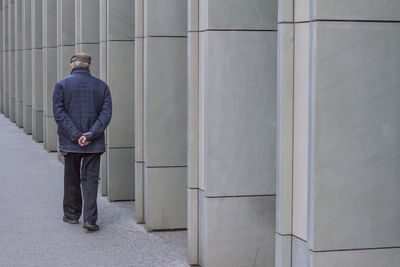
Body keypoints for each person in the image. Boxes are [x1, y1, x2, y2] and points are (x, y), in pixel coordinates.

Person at [53, 53, 112, 231]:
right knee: (91, 180)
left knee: (71, 178)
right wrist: (89, 135)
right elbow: (106, 114)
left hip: (70, 142)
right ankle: (90, 220)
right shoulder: (102, 86)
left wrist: (76, 135)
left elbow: (59, 113)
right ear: (89, 67)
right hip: (93, 143)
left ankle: (71, 215)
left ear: (72, 66)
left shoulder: (61, 85)